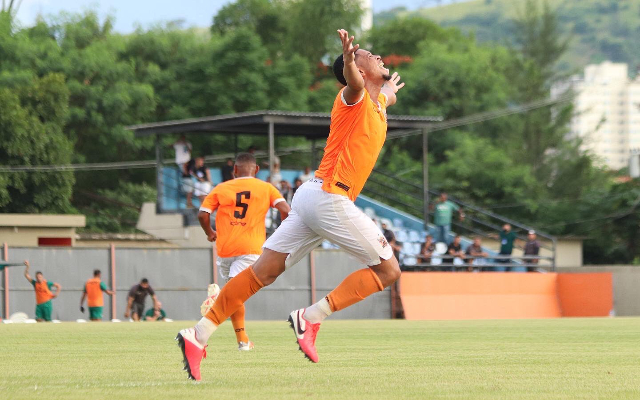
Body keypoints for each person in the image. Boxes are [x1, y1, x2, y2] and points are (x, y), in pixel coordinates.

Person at [176, 28, 405, 381]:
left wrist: (388, 90)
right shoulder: (353, 96)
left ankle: (198, 335)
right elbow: (357, 84)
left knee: (261, 273)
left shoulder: (376, 103)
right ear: (354, 72)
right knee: (388, 272)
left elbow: (384, 95)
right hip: (330, 196)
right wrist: (347, 57)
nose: (377, 57)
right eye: (368, 56)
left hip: (313, 196)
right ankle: (310, 318)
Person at [195, 152, 290, 351]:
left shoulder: (221, 188)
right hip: (250, 248)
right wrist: (282, 234)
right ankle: (217, 301)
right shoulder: (266, 188)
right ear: (256, 170)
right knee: (236, 294)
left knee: (236, 292)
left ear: (235, 170)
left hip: (225, 249)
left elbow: (203, 214)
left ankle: (243, 341)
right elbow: (286, 210)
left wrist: (210, 232)